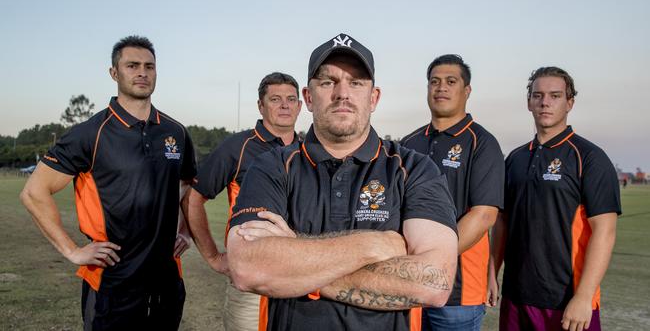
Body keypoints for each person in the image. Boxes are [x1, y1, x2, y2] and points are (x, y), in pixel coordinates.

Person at [225, 33, 459, 331]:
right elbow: (247, 267)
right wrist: (373, 245)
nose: (342, 93)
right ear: (308, 98)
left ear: (373, 98)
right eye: (327, 82)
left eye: (356, 82)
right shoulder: (272, 166)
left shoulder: (413, 169)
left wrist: (293, 255)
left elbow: (434, 283)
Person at [20, 35, 196, 330]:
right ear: (114, 73)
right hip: (113, 280)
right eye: (132, 65)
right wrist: (72, 251)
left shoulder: (175, 131)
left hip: (166, 278)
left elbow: (188, 187)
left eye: (149, 66)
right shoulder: (90, 133)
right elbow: (34, 192)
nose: (142, 72)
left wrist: (187, 231)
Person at [489, 67, 621, 331]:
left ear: (569, 103)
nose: (545, 102)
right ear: (529, 103)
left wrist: (584, 297)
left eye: (555, 96)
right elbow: (502, 221)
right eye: (537, 95)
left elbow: (604, 232)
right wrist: (491, 271)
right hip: (516, 297)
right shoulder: (515, 159)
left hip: (568, 302)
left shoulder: (590, 158)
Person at [183, 72, 302, 331]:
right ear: (261, 105)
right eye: (276, 99)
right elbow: (193, 199)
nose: (285, 105)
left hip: (301, 279)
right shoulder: (238, 147)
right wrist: (214, 257)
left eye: (291, 99)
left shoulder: (308, 150)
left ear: (301, 105)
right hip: (252, 282)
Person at [401, 54, 504, 330]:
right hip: (408, 286)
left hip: (459, 292)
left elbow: (484, 216)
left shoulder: (482, 143)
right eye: (434, 81)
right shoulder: (409, 143)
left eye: (450, 81)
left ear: (466, 90)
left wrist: (431, 257)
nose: (441, 87)